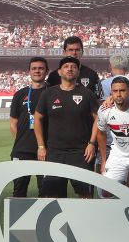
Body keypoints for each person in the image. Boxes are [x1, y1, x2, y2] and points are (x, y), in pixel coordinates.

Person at [33, 57, 100, 198]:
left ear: (77, 72)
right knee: (53, 197)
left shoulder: (87, 94)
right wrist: (41, 146)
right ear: (59, 72)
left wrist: (92, 143)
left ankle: (85, 220)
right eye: (66, 66)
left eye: (73, 67)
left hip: (81, 154)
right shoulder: (48, 94)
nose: (70, 69)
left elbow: (98, 119)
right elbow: (37, 119)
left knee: (85, 196)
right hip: (54, 153)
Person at [8, 57, 48, 197]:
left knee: (46, 191)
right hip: (22, 150)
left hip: (46, 151)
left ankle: (45, 219)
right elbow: (13, 122)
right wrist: (20, 140)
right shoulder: (20, 94)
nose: (37, 71)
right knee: (19, 191)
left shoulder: (52, 93)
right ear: (29, 71)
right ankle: (18, 219)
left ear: (46, 71)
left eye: (41, 68)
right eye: (34, 68)